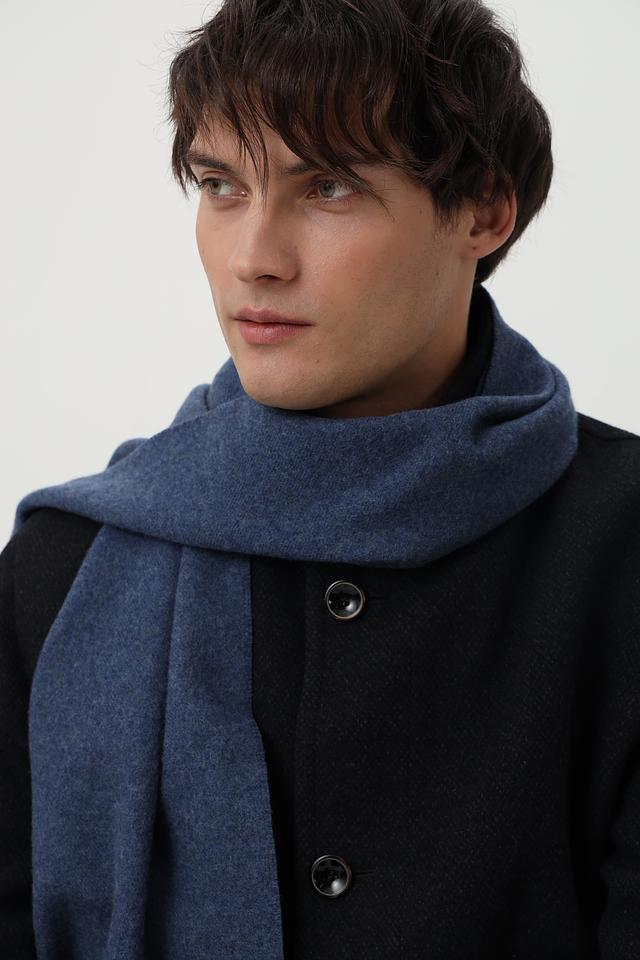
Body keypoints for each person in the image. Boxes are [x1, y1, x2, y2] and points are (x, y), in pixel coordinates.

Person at [2, 0, 639, 957]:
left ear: (483, 210)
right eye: (221, 185)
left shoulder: (619, 546)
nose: (253, 259)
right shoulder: (63, 567)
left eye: (329, 187)